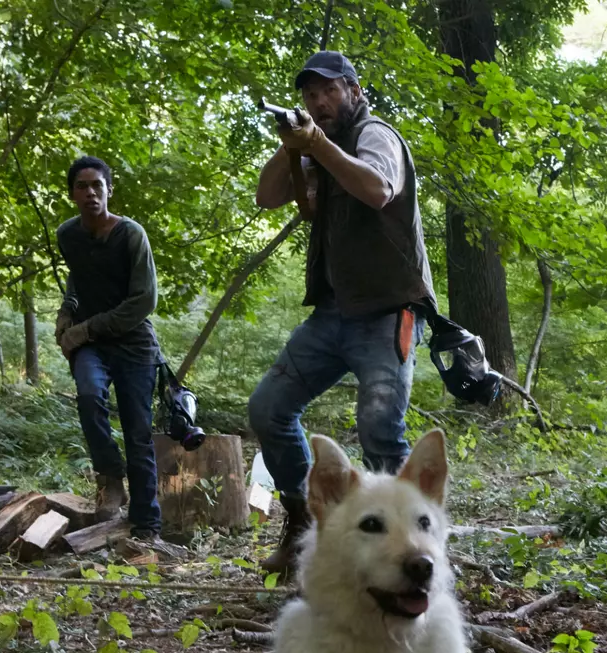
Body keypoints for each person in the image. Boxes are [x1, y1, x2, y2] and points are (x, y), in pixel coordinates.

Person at [249, 51, 438, 574]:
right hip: (332, 313)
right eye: (310, 95)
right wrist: (292, 147)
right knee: (268, 409)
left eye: (329, 90)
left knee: (379, 427)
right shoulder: (314, 147)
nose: (319, 101)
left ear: (354, 90)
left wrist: (318, 145)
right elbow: (268, 198)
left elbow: (377, 189)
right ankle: (308, 524)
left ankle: (406, 546)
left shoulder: (377, 135)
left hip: (387, 310)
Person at [55, 155, 163, 540]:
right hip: (90, 344)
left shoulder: (131, 235)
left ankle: (146, 524)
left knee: (138, 431)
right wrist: (66, 313)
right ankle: (110, 475)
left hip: (133, 343)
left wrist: (83, 330)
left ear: (109, 191)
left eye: (97, 186)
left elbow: (144, 301)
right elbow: (77, 281)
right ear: (72, 194)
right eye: (82, 187)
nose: (90, 193)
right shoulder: (68, 235)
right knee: (88, 395)